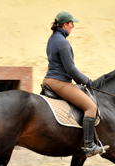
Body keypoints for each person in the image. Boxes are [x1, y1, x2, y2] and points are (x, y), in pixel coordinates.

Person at [43, 11, 109, 157]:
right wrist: (87, 81)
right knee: (91, 107)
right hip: (60, 82)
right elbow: (70, 69)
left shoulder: (52, 39)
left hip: (49, 80)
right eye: (72, 23)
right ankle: (89, 145)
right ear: (65, 24)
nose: (73, 26)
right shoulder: (63, 42)